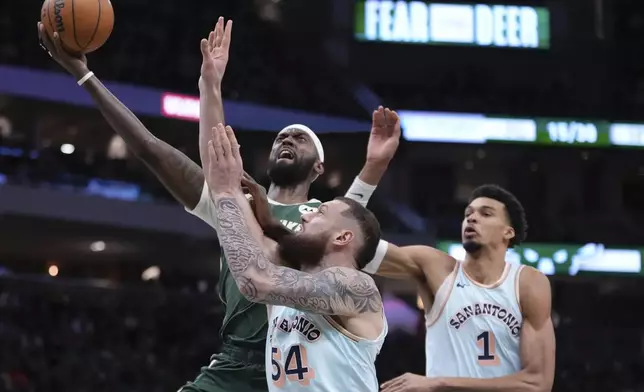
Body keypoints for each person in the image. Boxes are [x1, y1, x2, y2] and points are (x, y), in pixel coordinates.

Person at [38, 17, 399, 392]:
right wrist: (208, 85)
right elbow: (165, 151)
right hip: (241, 362)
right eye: (281, 136)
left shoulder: (319, 221)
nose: (288, 138)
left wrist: (373, 167)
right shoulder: (241, 209)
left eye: (300, 137)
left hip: (303, 352)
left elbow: (353, 227)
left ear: (319, 168)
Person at [249, 184, 555, 392]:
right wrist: (275, 224)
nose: (471, 217)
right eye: (467, 213)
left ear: (508, 232)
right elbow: (352, 243)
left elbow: (537, 383)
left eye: (485, 213)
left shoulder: (527, 282)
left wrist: (437, 383)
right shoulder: (434, 266)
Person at [204, 123, 387, 391]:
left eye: (319, 213)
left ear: (342, 238)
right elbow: (257, 248)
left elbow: (255, 281)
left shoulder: (357, 288)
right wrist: (233, 190)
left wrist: (225, 194)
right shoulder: (289, 274)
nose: (305, 214)